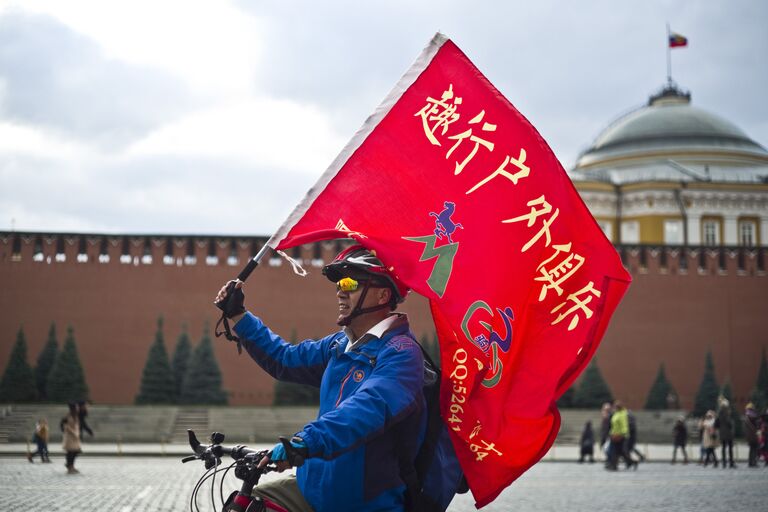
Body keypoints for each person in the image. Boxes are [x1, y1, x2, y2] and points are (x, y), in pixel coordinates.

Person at [215, 245, 426, 512]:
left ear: (383, 294)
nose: (340, 290)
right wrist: (239, 316)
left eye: (350, 283)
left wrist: (305, 442)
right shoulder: (339, 344)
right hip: (311, 489)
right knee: (244, 506)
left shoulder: (402, 354)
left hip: (360, 503)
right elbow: (286, 359)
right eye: (338, 283)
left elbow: (369, 406)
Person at [606, 400, 636, 470]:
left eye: (616, 407)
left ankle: (631, 462)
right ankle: (614, 465)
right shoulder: (615, 414)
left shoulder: (623, 414)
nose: (614, 408)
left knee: (623, 451)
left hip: (622, 436)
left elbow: (624, 425)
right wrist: (611, 433)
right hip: (614, 436)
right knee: (613, 451)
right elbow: (613, 425)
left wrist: (623, 433)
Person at [61, 403, 81, 474]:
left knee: (75, 452)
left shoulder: (76, 416)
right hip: (70, 437)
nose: (78, 408)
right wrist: (74, 433)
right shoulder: (68, 416)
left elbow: (77, 426)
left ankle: (70, 465)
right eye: (77, 407)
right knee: (71, 452)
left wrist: (77, 433)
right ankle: (70, 467)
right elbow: (65, 426)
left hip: (75, 437)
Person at [716, 398, 736, 468]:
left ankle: (724, 463)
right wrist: (731, 423)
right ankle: (731, 463)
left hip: (722, 433)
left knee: (723, 448)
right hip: (728, 433)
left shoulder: (719, 413)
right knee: (730, 448)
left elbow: (717, 424)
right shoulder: (726, 412)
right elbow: (729, 422)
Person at [743, 403, 759, 467]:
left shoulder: (747, 417)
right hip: (753, 435)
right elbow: (755, 426)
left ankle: (751, 462)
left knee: (752, 449)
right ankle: (753, 462)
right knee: (754, 449)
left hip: (750, 436)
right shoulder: (751, 416)